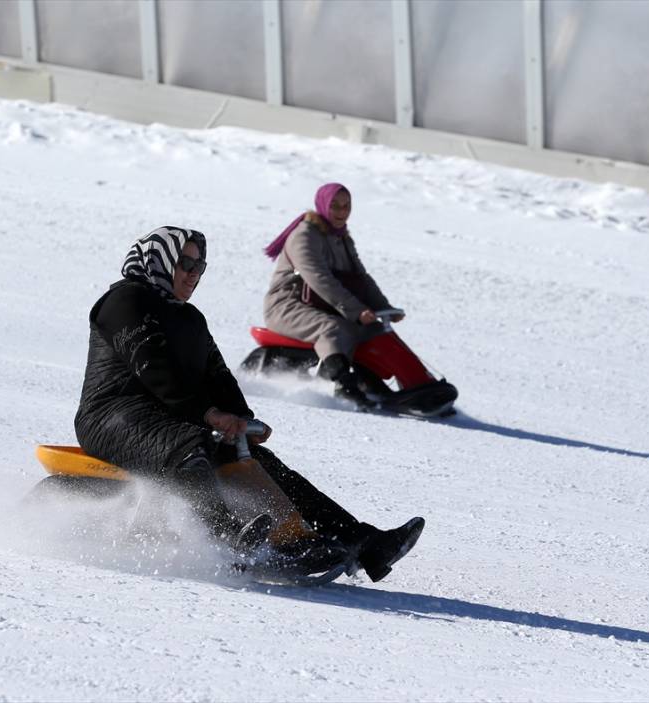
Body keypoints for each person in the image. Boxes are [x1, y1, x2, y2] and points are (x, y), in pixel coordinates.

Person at [73, 226, 423, 581]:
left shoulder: (190, 318)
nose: (193, 274)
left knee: (256, 461)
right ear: (159, 261)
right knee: (191, 448)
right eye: (185, 263)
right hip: (112, 416)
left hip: (171, 417)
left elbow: (218, 376)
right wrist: (208, 414)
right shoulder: (125, 301)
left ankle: (360, 542)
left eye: (200, 266)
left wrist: (243, 420)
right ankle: (227, 539)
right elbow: (154, 369)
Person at [262, 183, 404, 406]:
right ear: (323, 205)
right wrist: (357, 311)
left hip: (323, 306)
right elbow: (319, 279)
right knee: (333, 328)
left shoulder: (342, 238)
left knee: (373, 329)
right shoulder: (305, 236)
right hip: (286, 306)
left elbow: (361, 278)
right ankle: (343, 385)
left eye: (346, 206)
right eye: (335, 206)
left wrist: (383, 307)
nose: (341, 212)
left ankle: (402, 383)